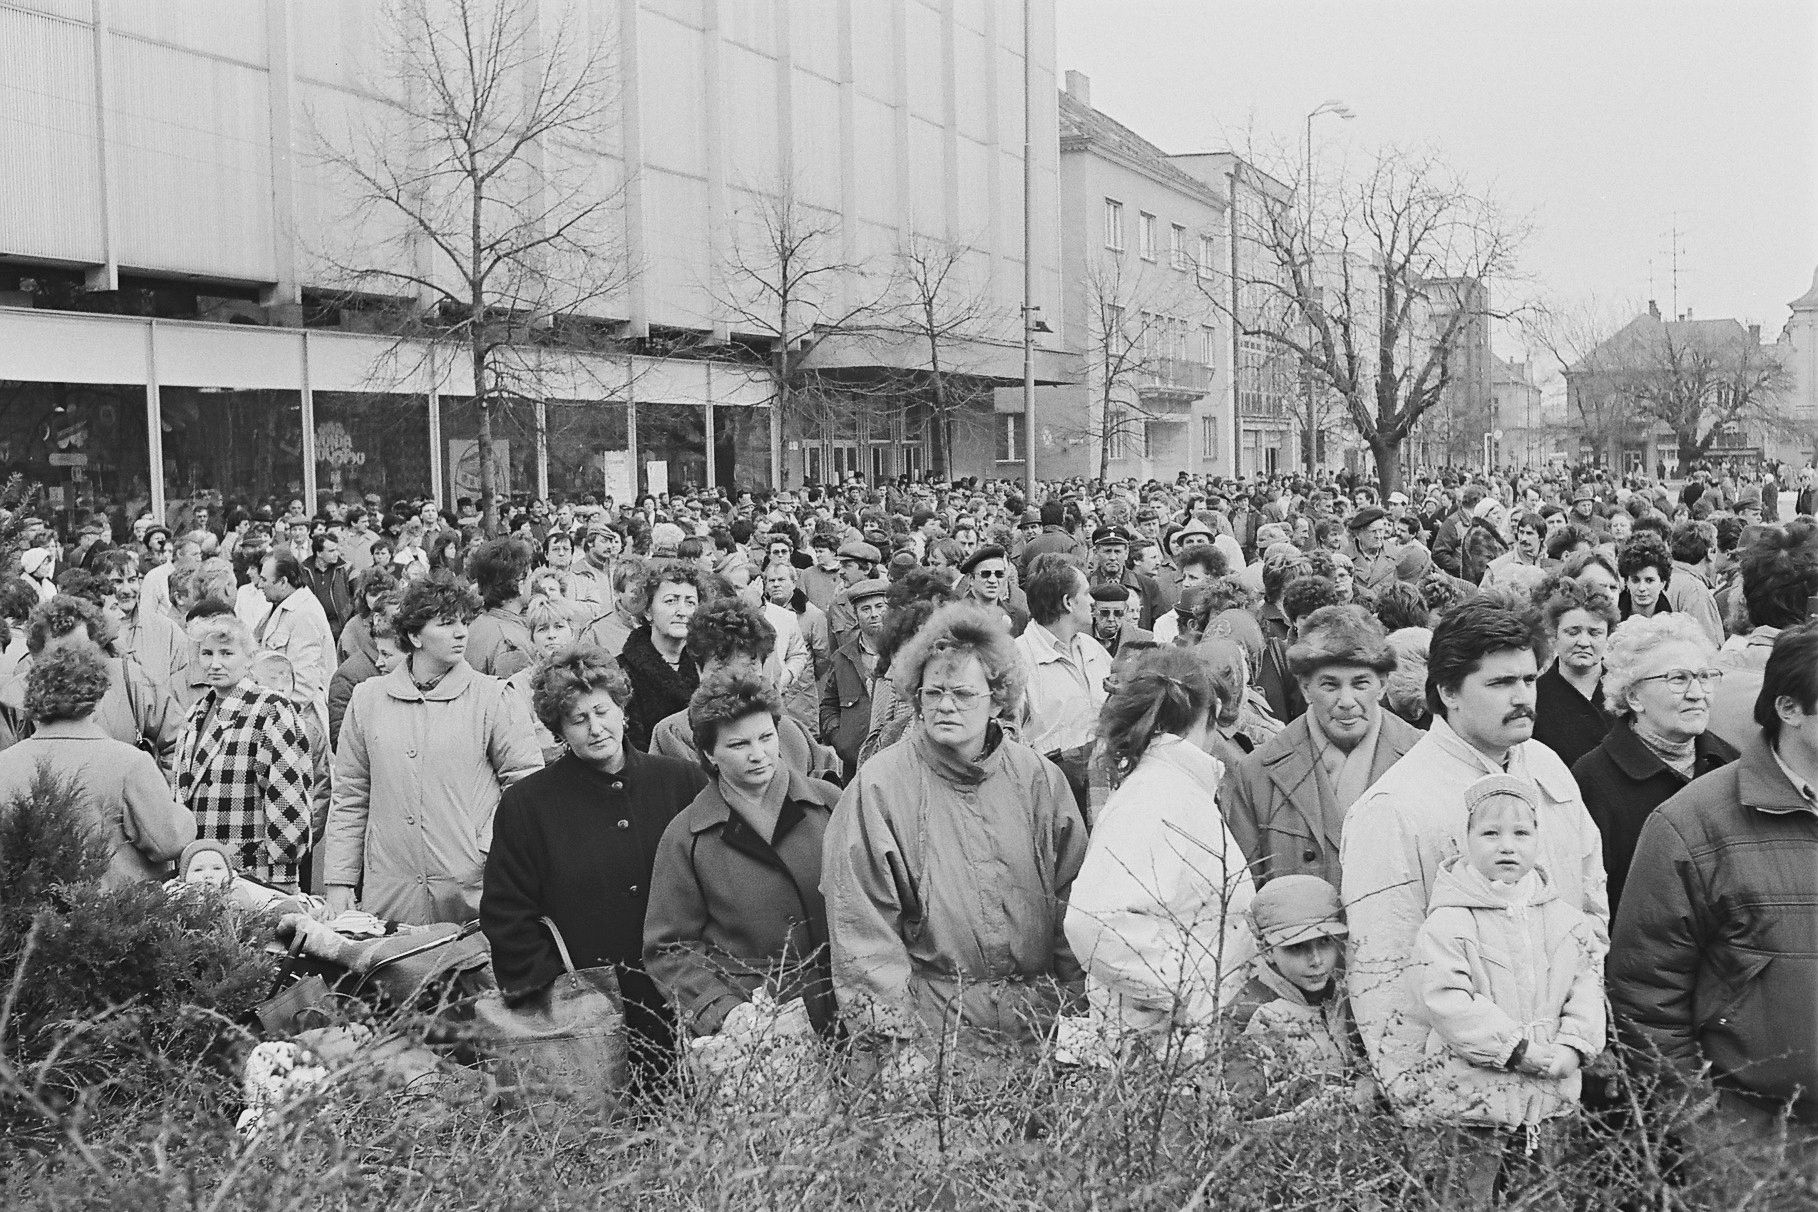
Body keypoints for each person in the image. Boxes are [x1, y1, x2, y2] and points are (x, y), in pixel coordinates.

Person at [1341, 601, 1609, 1120]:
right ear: (1448, 691)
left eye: (1529, 679)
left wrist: (1577, 1042)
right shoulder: (1395, 807)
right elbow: (1383, 975)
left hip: (1556, 1091)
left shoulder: (1547, 767)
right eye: (1500, 683)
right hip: (1460, 1112)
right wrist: (1418, 1104)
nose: (1523, 697)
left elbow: (1590, 911)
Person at [822, 602, 1086, 1083]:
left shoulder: (1039, 780)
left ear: (997, 699)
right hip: (933, 1036)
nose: (945, 706)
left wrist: (1075, 1012)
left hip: (1038, 1027)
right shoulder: (879, 786)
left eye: (963, 694)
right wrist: (895, 1045)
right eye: (934, 692)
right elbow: (862, 929)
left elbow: (1075, 906)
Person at [1609, 623, 1818, 1160]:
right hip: (1761, 1148)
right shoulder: (1691, 825)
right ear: (1790, 709)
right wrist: (1707, 1132)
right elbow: (1646, 997)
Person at [481, 645, 707, 1090]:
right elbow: (506, 913)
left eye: (602, 711)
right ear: (559, 729)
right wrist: (562, 994)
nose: (596, 728)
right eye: (578, 719)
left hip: (684, 999)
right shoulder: (527, 805)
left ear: (622, 708)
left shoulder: (681, 781)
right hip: (587, 1021)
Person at [1416, 774, 1606, 1200]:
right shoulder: (1448, 922)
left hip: (1550, 1098)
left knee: (1548, 1196)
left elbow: (1588, 987)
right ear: (1465, 841)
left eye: (1521, 833)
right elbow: (1447, 1001)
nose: (1507, 846)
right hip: (1472, 1104)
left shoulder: (1565, 921)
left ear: (1538, 840)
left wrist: (1572, 1047)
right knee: (1466, 1198)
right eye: (1490, 834)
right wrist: (1516, 1049)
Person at [1063, 647, 1255, 1053]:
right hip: (1159, 1050)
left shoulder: (1173, 786)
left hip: (1180, 1046)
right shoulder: (1157, 795)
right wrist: (1188, 989)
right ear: (1213, 709)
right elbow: (1091, 923)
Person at [323, 573, 544, 925]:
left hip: (473, 893)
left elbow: (526, 787)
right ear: (414, 636)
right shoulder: (367, 699)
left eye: (463, 622)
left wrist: (483, 851)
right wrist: (339, 880)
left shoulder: (494, 697)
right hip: (390, 892)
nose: (461, 633)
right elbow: (350, 795)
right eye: (446, 624)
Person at [644, 670, 842, 1053]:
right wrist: (724, 1010)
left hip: (848, 1007)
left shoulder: (829, 803)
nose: (758, 754)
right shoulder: (686, 837)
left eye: (766, 737)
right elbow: (669, 948)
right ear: (709, 754)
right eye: (738, 744)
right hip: (758, 1030)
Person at [1220, 606, 1420, 888]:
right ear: (1305, 689)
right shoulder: (1257, 774)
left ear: (1383, 685)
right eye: (1330, 685)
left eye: (1361, 684)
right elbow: (1244, 893)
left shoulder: (1423, 760)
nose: (1347, 701)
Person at [1571, 613, 1737, 916]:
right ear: (1634, 697)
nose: (1697, 694)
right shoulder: (1592, 779)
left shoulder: (1732, 765)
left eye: (1704, 677)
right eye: (1678, 679)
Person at [0, 645, 194, 887]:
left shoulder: (6, 764)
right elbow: (167, 842)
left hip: (26, 905)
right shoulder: (129, 762)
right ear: (98, 699)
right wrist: (184, 817)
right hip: (114, 904)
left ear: (32, 701)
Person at [176, 614, 316, 890]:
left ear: (249, 658)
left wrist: (284, 877)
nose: (215, 663)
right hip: (201, 874)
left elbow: (287, 797)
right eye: (207, 653)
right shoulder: (195, 712)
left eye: (226, 653)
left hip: (254, 874)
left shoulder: (271, 708)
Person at [1225, 875, 1372, 1118]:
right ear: (1265, 949)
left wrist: (1366, 1081)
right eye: (1296, 946)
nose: (1316, 960)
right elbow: (1242, 1120)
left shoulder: (1348, 995)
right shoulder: (1247, 1015)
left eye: (1325, 941)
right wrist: (1316, 1097)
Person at [645, 598, 840, 780]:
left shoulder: (791, 731)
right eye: (722, 667)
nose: (737, 681)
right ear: (699, 669)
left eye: (749, 667)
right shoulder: (673, 734)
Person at [1014, 555, 1112, 809]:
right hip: (1050, 797)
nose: (1093, 601)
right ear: (1068, 602)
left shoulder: (1092, 648)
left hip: (1102, 790)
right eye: (1086, 593)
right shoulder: (1018, 660)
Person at [1530, 580, 1618, 769]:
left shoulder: (1625, 692)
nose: (1584, 642)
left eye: (1594, 633)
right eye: (1573, 632)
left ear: (1607, 637)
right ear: (1554, 635)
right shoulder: (1534, 696)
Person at [618, 563, 703, 752]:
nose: (682, 612)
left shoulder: (708, 665)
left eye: (690, 603)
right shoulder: (622, 672)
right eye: (671, 601)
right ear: (648, 610)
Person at [252, 548, 336, 736]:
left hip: (297, 721)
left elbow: (304, 683)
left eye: (264, 580)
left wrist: (271, 720)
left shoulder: (305, 613)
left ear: (283, 582)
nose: (259, 585)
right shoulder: (281, 607)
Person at [820, 577, 888, 778]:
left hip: (896, 763)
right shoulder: (842, 658)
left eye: (879, 606)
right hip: (854, 764)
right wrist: (840, 739)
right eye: (866, 609)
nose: (874, 614)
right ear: (856, 615)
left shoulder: (904, 653)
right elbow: (828, 705)